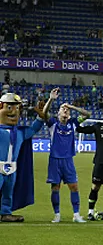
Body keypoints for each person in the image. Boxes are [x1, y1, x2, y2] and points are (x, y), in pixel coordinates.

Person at [0, 91, 53, 222]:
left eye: (17, 108)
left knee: (9, 192)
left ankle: (5, 212)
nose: (14, 112)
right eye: (10, 107)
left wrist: (40, 118)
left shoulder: (20, 133)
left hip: (12, 167)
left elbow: (33, 129)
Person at [46, 101, 91, 223]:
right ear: (58, 113)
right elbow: (44, 113)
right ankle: (57, 215)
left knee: (74, 187)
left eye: (67, 110)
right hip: (55, 160)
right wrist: (50, 99)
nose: (65, 111)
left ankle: (76, 215)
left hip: (68, 160)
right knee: (55, 187)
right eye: (63, 109)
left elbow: (88, 114)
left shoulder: (73, 124)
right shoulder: (53, 124)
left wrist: (72, 107)